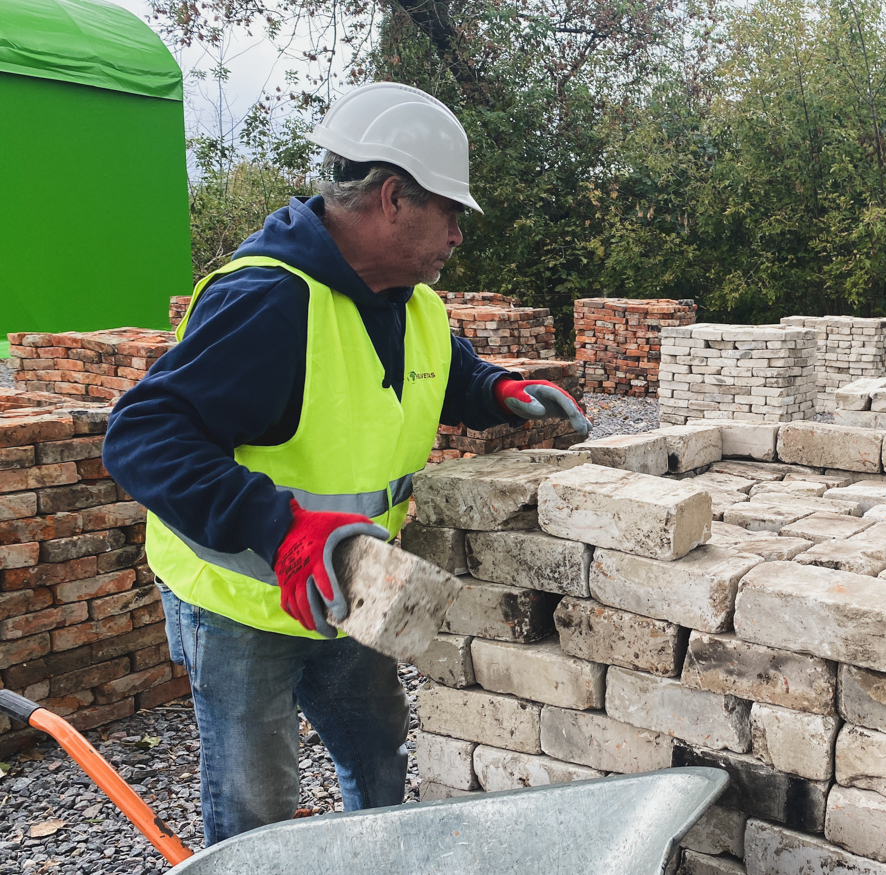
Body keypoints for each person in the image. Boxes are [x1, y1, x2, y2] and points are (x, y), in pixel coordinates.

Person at [102, 81, 590, 846]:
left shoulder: (409, 298)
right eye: (450, 212)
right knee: (257, 801)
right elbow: (140, 434)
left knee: (377, 748)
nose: (458, 235)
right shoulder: (270, 301)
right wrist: (280, 527)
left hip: (350, 586)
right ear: (393, 197)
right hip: (245, 600)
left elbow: (441, 370)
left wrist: (498, 389)